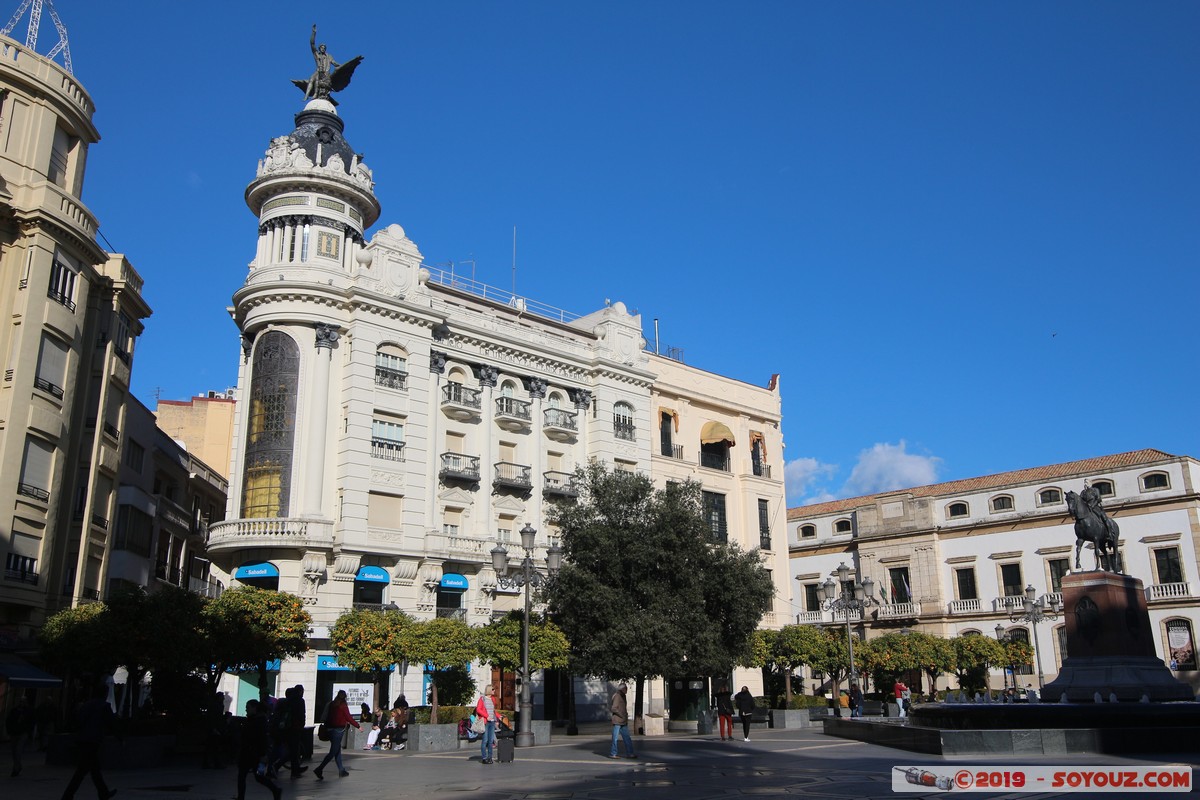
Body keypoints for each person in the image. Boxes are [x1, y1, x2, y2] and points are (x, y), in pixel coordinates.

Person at [60, 684, 117, 800]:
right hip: (93, 740)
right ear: (105, 694)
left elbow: (78, 721)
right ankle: (68, 795)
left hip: (83, 739)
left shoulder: (86, 705)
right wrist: (120, 737)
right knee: (84, 770)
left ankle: (103, 793)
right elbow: (112, 724)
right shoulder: (104, 706)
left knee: (92, 769)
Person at [235, 699, 281, 800]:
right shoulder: (254, 719)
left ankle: (275, 790)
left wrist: (263, 754)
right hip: (250, 752)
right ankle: (275, 790)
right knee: (251, 776)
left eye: (248, 707)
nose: (246, 710)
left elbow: (261, 739)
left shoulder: (258, 721)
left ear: (254, 708)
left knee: (251, 776)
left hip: (253, 753)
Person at [313, 689, 359, 780]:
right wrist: (358, 726)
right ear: (345, 697)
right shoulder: (342, 705)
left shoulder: (331, 704)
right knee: (333, 751)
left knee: (337, 750)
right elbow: (348, 717)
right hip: (338, 730)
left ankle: (341, 770)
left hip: (329, 729)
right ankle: (319, 768)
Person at [7, 694, 35, 776]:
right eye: (21, 701)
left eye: (23, 701)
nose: (22, 703)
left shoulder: (29, 711)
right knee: (14, 752)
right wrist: (10, 730)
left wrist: (28, 731)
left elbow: (32, 722)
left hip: (23, 733)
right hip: (14, 733)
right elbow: (9, 720)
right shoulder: (14, 710)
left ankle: (15, 769)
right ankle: (18, 766)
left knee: (18, 751)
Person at [608, 683, 636, 758]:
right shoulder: (617, 696)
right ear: (622, 689)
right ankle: (613, 753)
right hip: (617, 721)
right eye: (625, 688)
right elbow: (614, 708)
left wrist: (624, 716)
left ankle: (630, 753)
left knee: (627, 738)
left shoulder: (623, 696)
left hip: (623, 721)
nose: (626, 690)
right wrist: (621, 715)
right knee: (615, 738)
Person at [475, 684, 499, 764]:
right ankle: (484, 758)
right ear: (489, 690)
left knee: (491, 741)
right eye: (493, 689)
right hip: (485, 722)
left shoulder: (493, 699)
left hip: (492, 722)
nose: (494, 691)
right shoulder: (482, 699)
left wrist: (497, 719)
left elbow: (493, 711)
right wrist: (487, 716)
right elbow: (478, 709)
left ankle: (490, 757)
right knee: (485, 740)